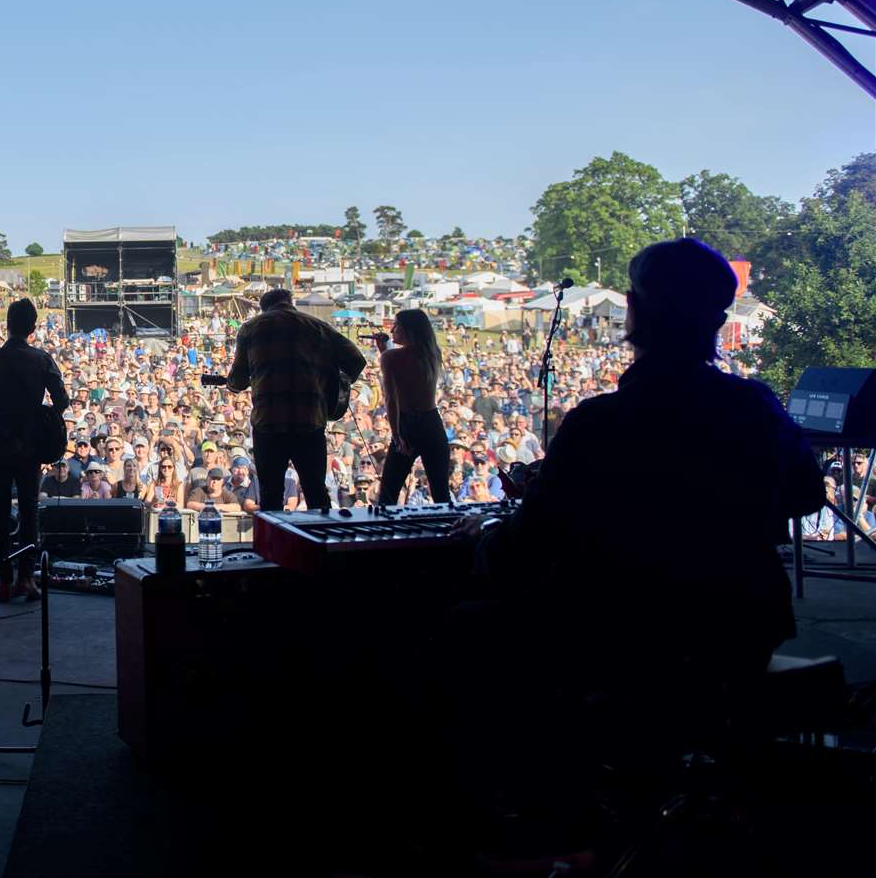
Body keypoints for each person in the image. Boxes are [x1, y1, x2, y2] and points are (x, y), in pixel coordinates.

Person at [452, 239, 825, 813]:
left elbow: (523, 554)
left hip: (626, 639)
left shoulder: (600, 424)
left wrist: (482, 540)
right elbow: (806, 494)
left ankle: (533, 819)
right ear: (718, 320)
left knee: (463, 632)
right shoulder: (757, 407)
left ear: (633, 311)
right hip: (741, 628)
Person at [226, 288, 367, 513]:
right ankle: (321, 545)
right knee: (315, 492)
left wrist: (238, 381)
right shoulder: (318, 327)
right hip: (310, 423)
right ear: (290, 303)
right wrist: (329, 381)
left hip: (269, 424)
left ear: (264, 308)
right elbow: (356, 361)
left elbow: (237, 381)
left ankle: (274, 547)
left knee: (270, 494)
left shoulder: (251, 329)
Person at [0, 299, 70, 603]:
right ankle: (25, 578)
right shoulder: (41, 360)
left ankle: (3, 581)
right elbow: (62, 401)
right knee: (29, 511)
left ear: (7, 324)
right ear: (33, 328)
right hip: (29, 449)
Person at [376, 309, 453, 505]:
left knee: (388, 492)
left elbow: (392, 400)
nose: (392, 329)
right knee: (440, 491)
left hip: (407, 424)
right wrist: (386, 350)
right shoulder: (433, 353)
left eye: (396, 325)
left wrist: (396, 435)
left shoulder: (390, 358)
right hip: (431, 423)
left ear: (408, 330)